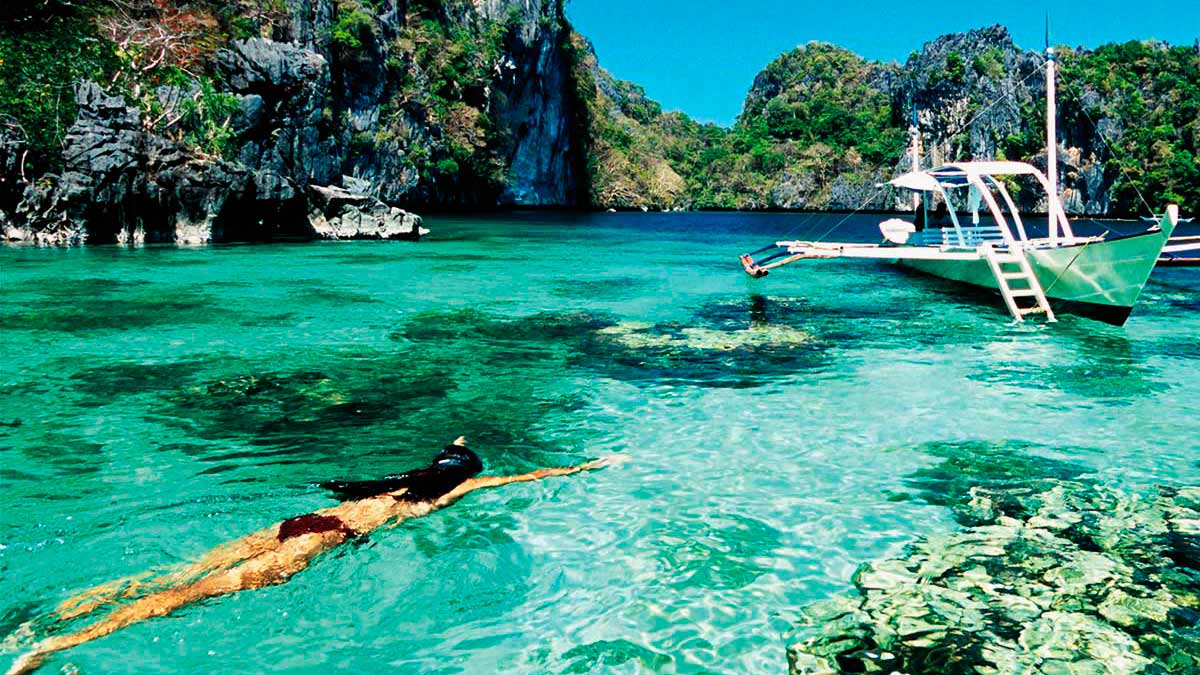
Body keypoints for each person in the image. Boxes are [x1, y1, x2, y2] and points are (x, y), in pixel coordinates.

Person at [7, 438, 622, 675]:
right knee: (189, 595)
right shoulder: (451, 489)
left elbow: (451, 452)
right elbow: (524, 478)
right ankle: (53, 650)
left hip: (291, 524)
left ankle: (55, 615)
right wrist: (588, 466)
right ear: (455, 479)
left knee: (170, 574)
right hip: (321, 540)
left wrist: (457, 441)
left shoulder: (396, 480)